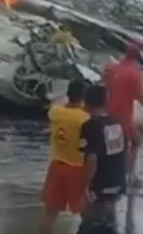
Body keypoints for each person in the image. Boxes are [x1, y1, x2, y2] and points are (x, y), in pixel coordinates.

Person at [102, 40, 143, 187]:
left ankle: (112, 175)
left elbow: (104, 87)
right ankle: (130, 176)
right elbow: (140, 97)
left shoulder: (111, 68)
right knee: (135, 142)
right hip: (124, 116)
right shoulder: (135, 73)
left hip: (108, 113)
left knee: (114, 146)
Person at [39, 79, 89, 234]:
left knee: (50, 213)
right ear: (84, 97)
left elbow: (55, 102)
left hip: (56, 166)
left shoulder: (55, 112)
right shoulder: (85, 118)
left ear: (68, 94)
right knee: (86, 214)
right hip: (77, 168)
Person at [77, 84, 127, 234]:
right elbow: (125, 151)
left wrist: (86, 186)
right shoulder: (118, 123)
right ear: (106, 101)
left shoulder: (90, 126)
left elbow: (92, 158)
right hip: (117, 181)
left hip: (100, 183)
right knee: (109, 220)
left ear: (85, 103)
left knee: (90, 223)